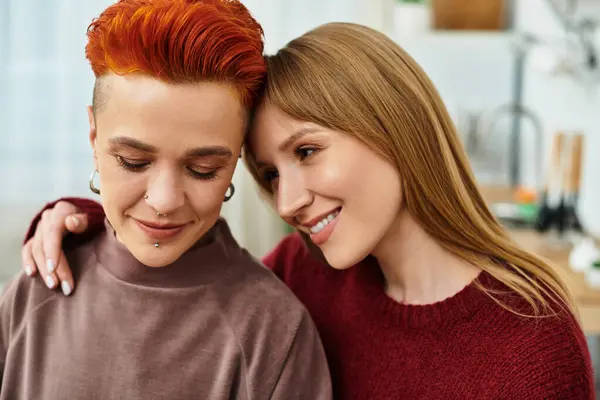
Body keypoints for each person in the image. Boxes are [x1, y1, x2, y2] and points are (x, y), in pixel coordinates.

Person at [21, 21, 594, 399]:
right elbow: (192, 279)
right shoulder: (305, 272)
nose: (288, 202)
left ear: (394, 125)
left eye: (308, 151)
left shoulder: (532, 343)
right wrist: (90, 221)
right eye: (270, 173)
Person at [0, 1, 333, 399]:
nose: (164, 201)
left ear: (236, 161)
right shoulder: (32, 293)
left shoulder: (274, 333)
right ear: (93, 139)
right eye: (133, 161)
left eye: (203, 169)